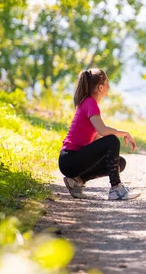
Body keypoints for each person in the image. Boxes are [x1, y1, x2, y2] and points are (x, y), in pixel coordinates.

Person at [59, 68, 140, 200]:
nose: (109, 86)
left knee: (119, 163)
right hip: (70, 160)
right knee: (112, 140)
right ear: (101, 87)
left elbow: (97, 138)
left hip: (72, 161)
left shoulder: (88, 103)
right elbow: (103, 131)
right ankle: (116, 189)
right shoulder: (90, 102)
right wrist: (124, 133)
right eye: (107, 83)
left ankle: (77, 180)